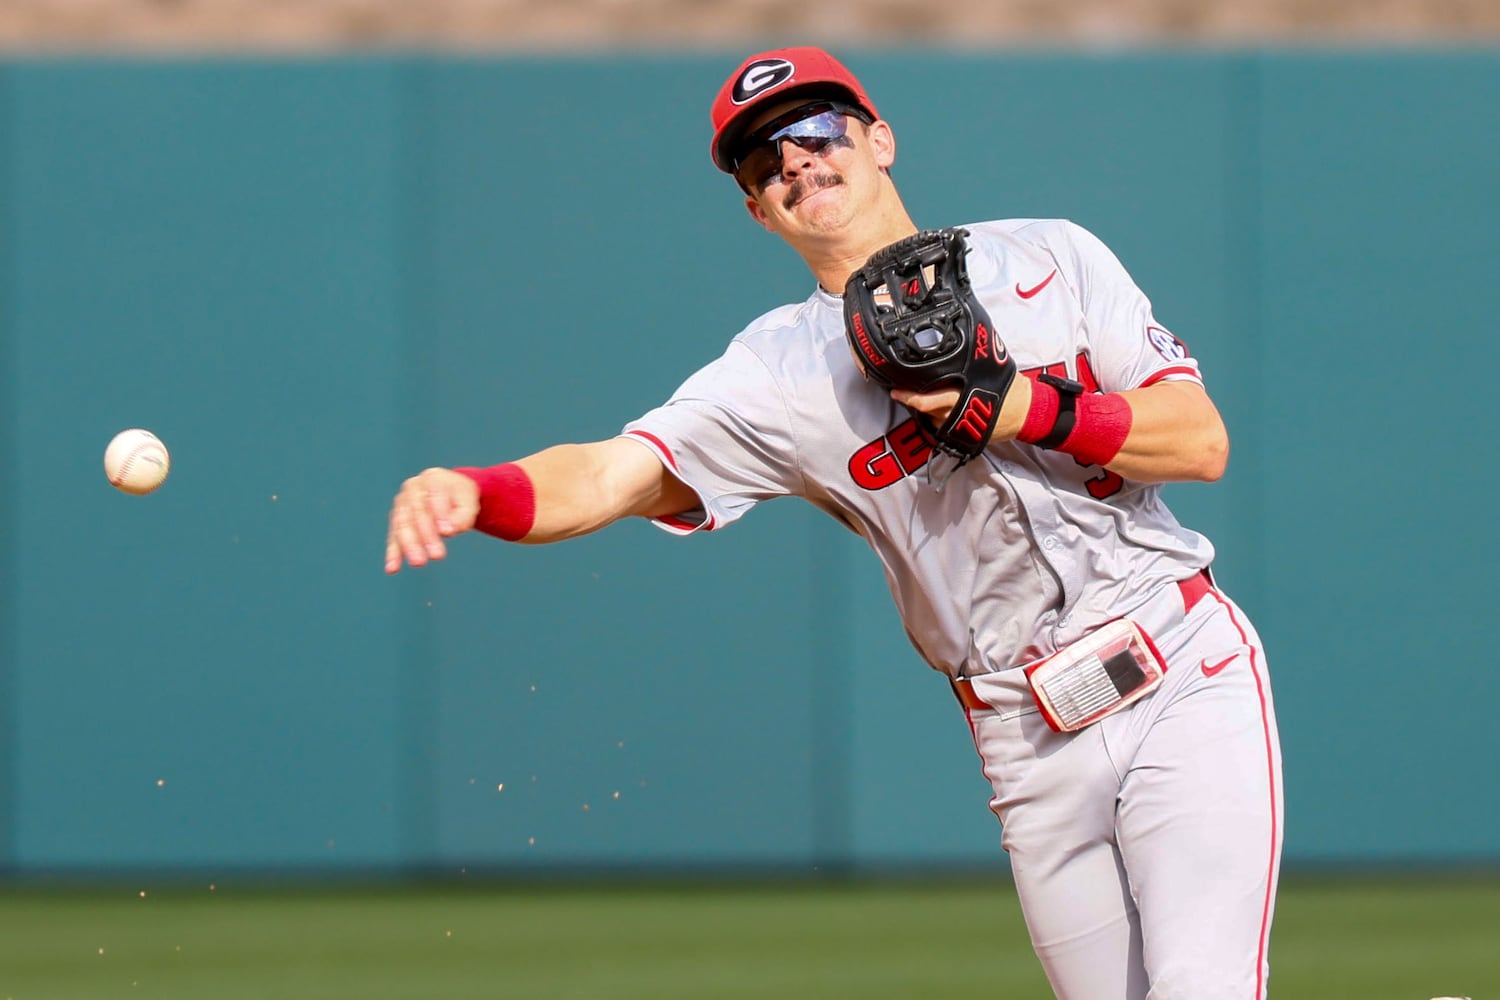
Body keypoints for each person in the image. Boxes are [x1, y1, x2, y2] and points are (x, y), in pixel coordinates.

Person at [384, 46, 1283, 1000]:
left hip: (1180, 665)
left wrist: (1019, 404)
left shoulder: (1051, 256)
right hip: (1027, 737)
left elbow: (1200, 441)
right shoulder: (778, 375)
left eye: (817, 130)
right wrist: (479, 491)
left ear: (880, 139)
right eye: (763, 159)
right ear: (755, 208)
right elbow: (614, 473)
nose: (796, 160)